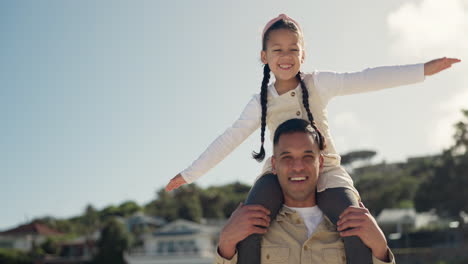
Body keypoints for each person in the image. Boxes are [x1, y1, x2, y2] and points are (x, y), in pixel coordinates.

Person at [166, 14, 461, 264]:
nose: (285, 56)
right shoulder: (261, 102)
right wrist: (189, 174)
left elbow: (367, 78)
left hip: (327, 169)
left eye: (293, 49)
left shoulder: (318, 83)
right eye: (277, 50)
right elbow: (229, 138)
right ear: (264, 56)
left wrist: (423, 70)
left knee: (354, 223)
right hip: (278, 172)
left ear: (303, 54)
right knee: (250, 219)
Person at [215, 119, 394, 264]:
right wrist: (226, 243)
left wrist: (380, 249)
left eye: (307, 157)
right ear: (274, 165)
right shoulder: (250, 227)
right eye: (287, 157)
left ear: (321, 163)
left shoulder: (352, 224)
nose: (298, 167)